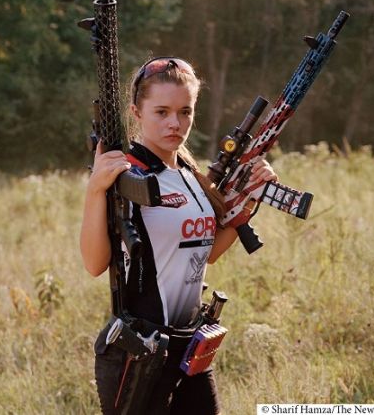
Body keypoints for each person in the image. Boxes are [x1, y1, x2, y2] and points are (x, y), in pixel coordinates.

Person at [80, 57, 278, 414]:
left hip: (190, 346)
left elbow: (208, 252)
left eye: (185, 112)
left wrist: (248, 198)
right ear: (136, 112)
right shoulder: (126, 174)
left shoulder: (190, 174)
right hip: (141, 352)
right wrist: (96, 190)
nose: (175, 123)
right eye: (162, 112)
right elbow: (94, 263)